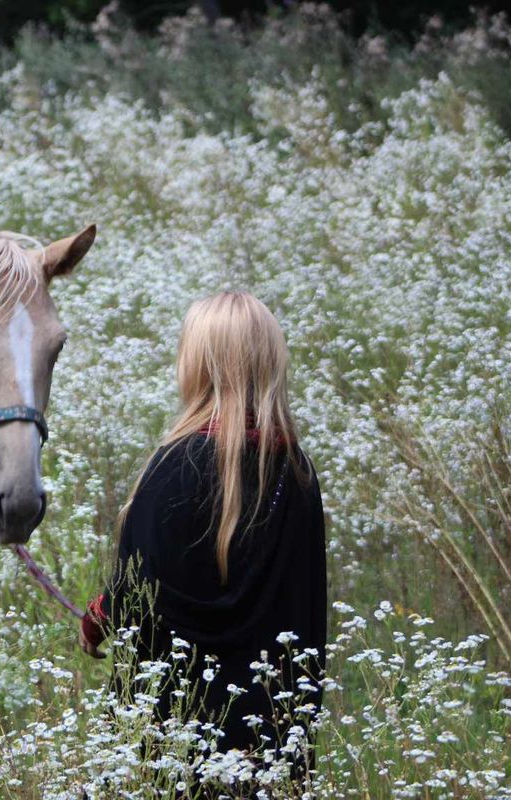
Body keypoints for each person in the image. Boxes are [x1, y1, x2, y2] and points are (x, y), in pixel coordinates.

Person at [80, 291, 327, 781]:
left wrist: (98, 618)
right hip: (269, 746)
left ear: (197, 364)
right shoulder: (297, 473)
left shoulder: (172, 466)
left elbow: (141, 598)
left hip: (166, 749)